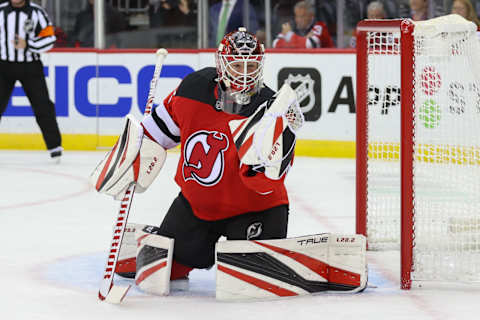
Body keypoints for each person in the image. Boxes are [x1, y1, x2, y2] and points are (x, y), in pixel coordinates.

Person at [110, 28, 303, 282]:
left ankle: (271, 255)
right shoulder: (193, 88)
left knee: (249, 280)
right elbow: (157, 133)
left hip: (255, 210)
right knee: (167, 272)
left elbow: (269, 181)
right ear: (221, 65)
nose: (244, 74)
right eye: (236, 65)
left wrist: (257, 167)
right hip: (197, 208)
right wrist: (134, 156)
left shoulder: (272, 108)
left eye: (251, 66)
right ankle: (164, 238)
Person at [0, 0, 62, 160]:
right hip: (3, 66)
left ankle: (54, 146)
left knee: (43, 105)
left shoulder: (37, 12)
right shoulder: (0, 11)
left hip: (30, 66)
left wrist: (28, 44)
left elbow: (50, 38)